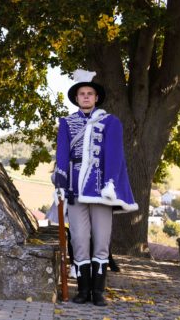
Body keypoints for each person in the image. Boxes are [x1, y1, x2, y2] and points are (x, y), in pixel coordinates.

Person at [53, 70, 137, 306]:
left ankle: (98, 293)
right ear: (77, 98)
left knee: (101, 240)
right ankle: (83, 291)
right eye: (82, 94)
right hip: (75, 188)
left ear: (96, 97)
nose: (86, 97)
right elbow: (62, 155)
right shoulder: (67, 123)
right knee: (79, 239)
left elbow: (115, 155)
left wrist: (111, 183)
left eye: (90, 93)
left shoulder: (110, 122)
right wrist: (60, 182)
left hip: (101, 189)